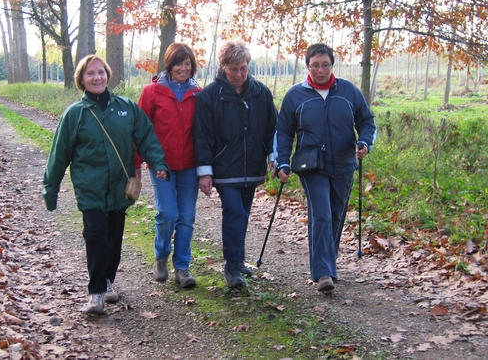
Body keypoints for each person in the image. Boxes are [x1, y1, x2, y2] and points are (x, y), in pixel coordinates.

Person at [42, 55, 169, 315]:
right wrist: (50, 189)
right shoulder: (74, 114)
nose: (97, 77)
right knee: (96, 236)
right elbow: (59, 154)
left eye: (101, 72)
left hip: (119, 188)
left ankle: (108, 279)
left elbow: (146, 137)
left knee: (113, 239)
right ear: (82, 80)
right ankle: (96, 293)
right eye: (90, 74)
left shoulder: (126, 108)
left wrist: (158, 162)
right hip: (90, 189)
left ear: (108, 76)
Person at [275, 43, 377, 293]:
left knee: (335, 215)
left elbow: (367, 121)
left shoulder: (348, 91)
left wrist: (364, 142)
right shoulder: (295, 95)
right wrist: (283, 161)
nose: (320, 70)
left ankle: (328, 265)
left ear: (332, 65)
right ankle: (323, 273)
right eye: (314, 65)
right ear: (307, 66)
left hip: (343, 163)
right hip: (311, 166)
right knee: (321, 214)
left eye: (325, 65)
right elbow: (284, 132)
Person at [194, 40, 277, 290]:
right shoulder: (210, 95)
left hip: (252, 167)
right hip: (224, 168)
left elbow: (273, 127)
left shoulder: (261, 93)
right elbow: (202, 135)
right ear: (223, 67)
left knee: (244, 214)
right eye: (233, 70)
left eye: (243, 68)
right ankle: (231, 267)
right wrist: (205, 172)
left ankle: (238, 261)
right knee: (235, 213)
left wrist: (273, 156)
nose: (239, 74)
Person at [136, 42, 201, 288]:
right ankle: (161, 256)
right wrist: (139, 163)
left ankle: (182, 267)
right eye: (178, 63)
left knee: (186, 217)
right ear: (169, 64)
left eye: (187, 63)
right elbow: (141, 131)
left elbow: (204, 133)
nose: (183, 68)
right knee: (167, 214)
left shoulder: (198, 94)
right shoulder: (152, 92)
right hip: (160, 165)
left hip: (190, 166)